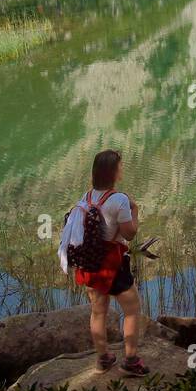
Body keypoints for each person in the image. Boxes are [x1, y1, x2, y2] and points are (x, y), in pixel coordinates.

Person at [66, 149, 148, 375]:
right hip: (113, 266)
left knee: (98, 312)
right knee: (132, 311)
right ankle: (131, 361)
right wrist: (135, 210)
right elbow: (129, 234)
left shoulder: (87, 196)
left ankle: (103, 359)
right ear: (113, 171)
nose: (122, 169)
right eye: (120, 166)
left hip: (91, 265)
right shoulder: (119, 200)